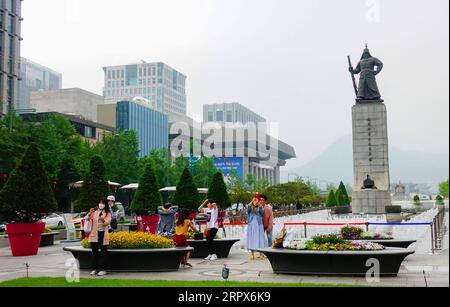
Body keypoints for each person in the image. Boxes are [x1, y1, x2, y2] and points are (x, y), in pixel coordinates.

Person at [86, 198, 112, 277]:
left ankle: (103, 269)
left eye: (103, 203)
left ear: (105, 205)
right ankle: (95, 269)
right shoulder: (95, 212)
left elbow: (107, 222)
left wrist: (103, 220)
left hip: (103, 234)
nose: (101, 204)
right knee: (94, 252)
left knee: (103, 252)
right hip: (94, 234)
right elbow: (87, 219)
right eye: (100, 203)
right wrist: (90, 213)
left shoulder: (107, 213)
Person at [246, 195, 266, 260]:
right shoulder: (250, 208)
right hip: (251, 225)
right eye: (254, 200)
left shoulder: (260, 207)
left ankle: (261, 254)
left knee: (260, 238)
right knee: (251, 238)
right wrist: (252, 201)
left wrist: (259, 204)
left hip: (259, 225)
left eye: (256, 200)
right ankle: (252, 254)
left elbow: (262, 213)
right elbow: (248, 209)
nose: (255, 202)